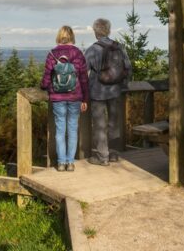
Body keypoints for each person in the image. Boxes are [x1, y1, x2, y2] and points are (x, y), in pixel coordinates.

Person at [41, 26, 89, 172]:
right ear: (71, 37)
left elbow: (47, 76)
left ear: (59, 36)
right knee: (73, 130)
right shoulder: (78, 53)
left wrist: (44, 87)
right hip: (75, 97)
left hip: (57, 97)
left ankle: (61, 163)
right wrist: (85, 99)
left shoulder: (52, 54)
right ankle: (70, 163)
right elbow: (84, 78)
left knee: (60, 130)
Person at [84, 18, 132, 166]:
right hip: (116, 91)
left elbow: (83, 71)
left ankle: (102, 157)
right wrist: (122, 84)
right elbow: (128, 68)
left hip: (97, 92)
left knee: (99, 124)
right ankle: (114, 154)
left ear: (95, 32)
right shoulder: (119, 47)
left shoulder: (92, 49)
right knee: (114, 123)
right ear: (109, 30)